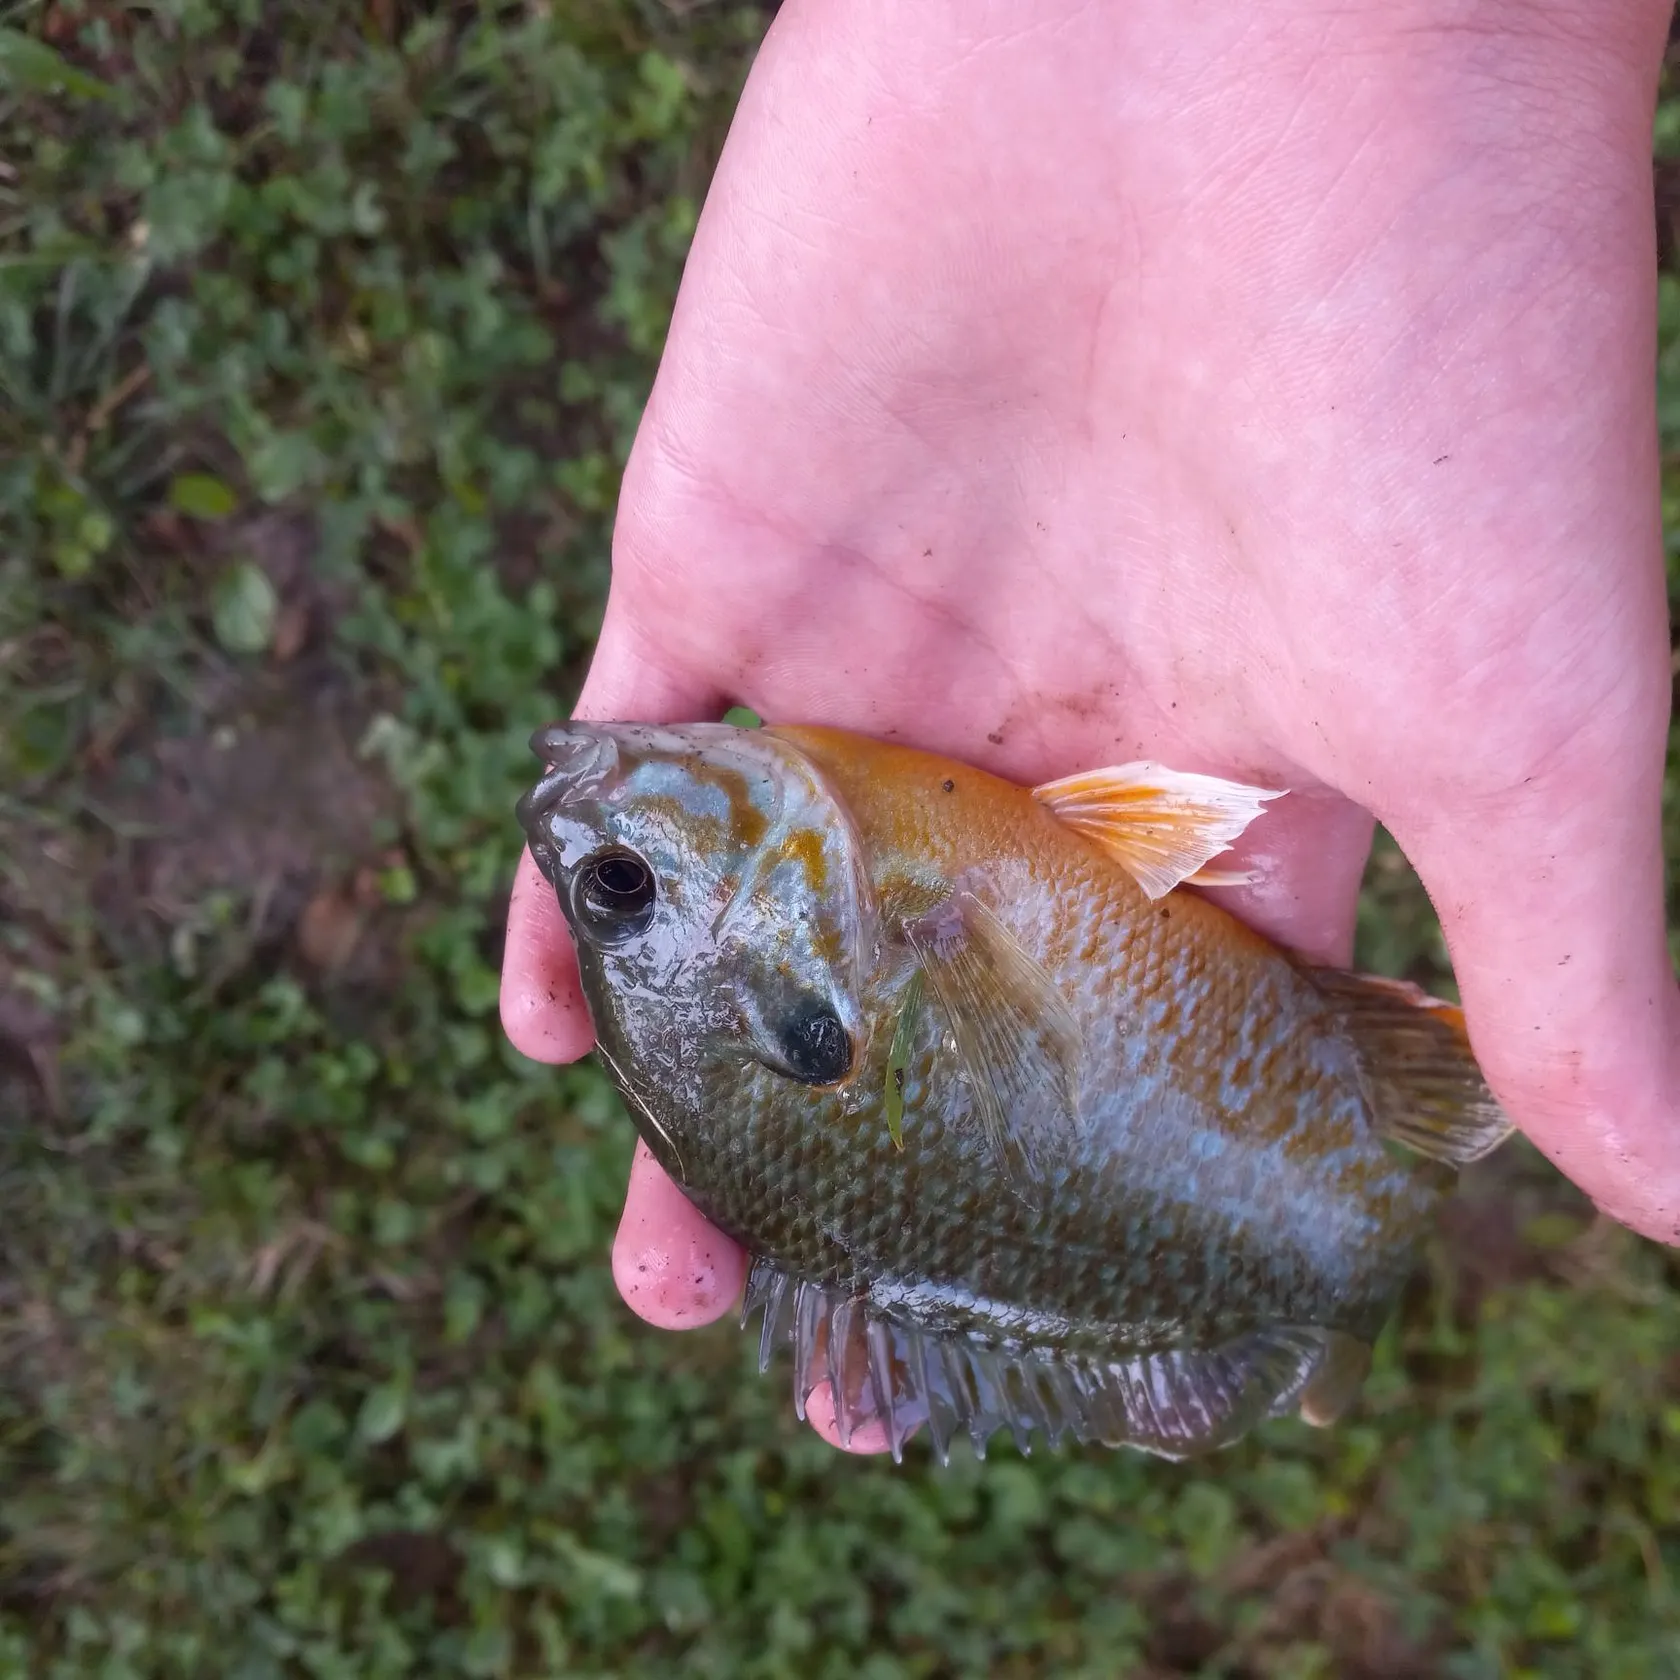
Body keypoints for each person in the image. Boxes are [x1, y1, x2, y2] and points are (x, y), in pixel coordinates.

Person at [500, 0, 1680, 1454]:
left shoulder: (892, 876)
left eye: (616, 887)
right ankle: (1325, 1261)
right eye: (618, 884)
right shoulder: (893, 879)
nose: (577, 809)